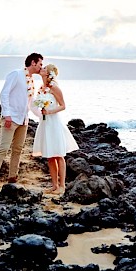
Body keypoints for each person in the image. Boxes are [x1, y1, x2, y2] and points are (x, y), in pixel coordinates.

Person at [0, 52, 43, 188]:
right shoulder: (16, 74)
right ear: (33, 63)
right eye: (40, 64)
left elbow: (31, 101)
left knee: (17, 149)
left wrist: (42, 116)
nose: (41, 67)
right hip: (11, 119)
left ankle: (12, 179)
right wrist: (7, 115)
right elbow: (4, 93)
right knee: (3, 148)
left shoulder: (32, 81)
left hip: (23, 120)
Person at [31, 63, 79, 193]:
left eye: (45, 68)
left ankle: (62, 186)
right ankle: (54, 185)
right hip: (45, 123)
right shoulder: (41, 88)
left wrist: (50, 112)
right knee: (50, 155)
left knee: (58, 154)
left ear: (49, 73)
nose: (42, 68)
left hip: (54, 123)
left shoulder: (54, 87)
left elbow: (63, 106)